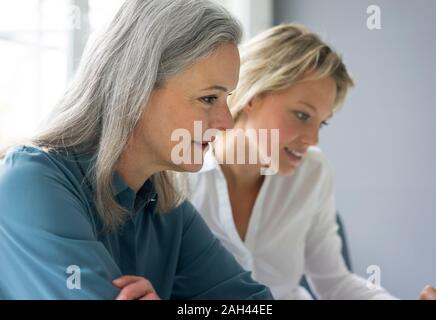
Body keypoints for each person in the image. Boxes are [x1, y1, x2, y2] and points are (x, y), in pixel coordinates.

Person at [0, 0, 273, 300]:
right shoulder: (30, 185)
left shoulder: (169, 212)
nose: (227, 123)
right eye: (209, 98)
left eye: (227, 99)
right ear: (136, 89)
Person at [186, 24, 436, 300]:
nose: (312, 140)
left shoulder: (312, 171)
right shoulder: (179, 175)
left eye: (321, 124)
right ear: (253, 95)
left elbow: (335, 283)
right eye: (302, 115)